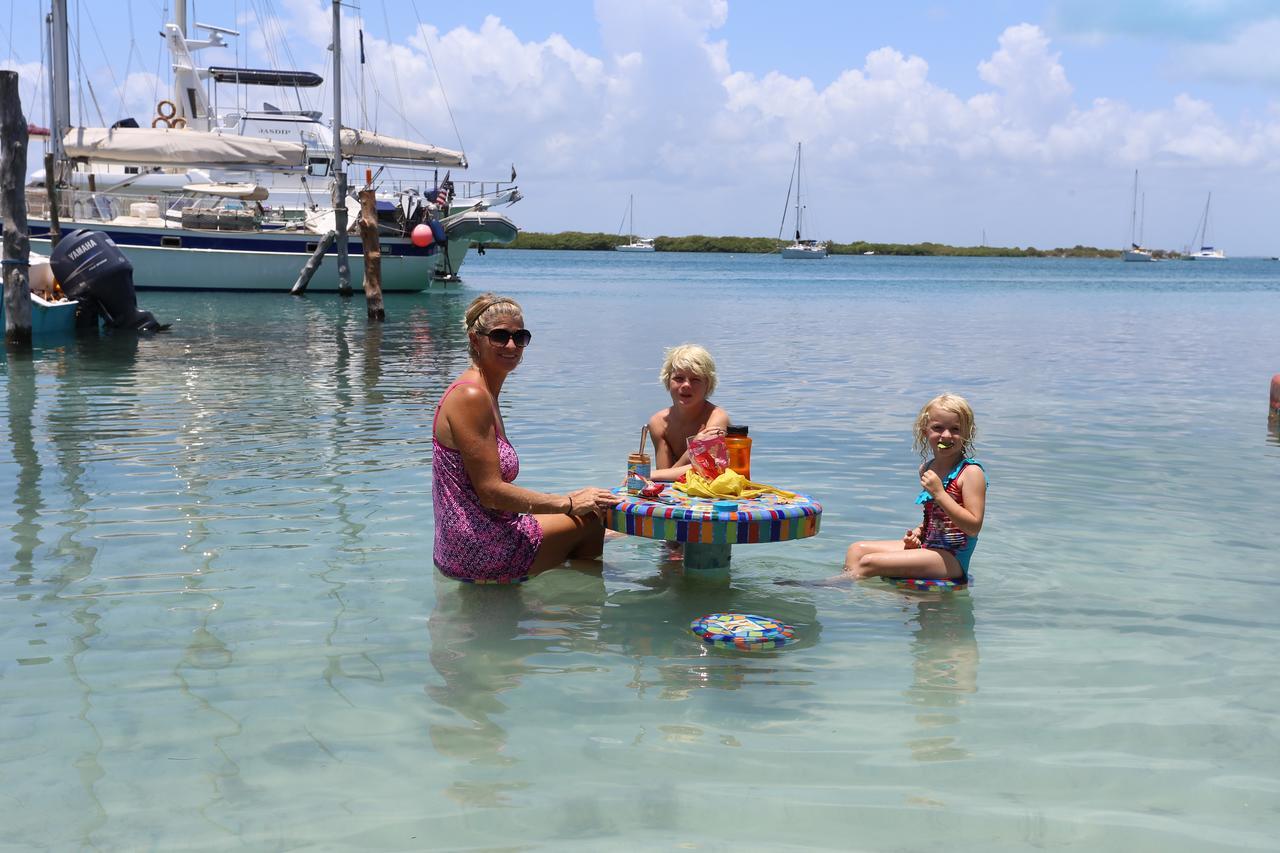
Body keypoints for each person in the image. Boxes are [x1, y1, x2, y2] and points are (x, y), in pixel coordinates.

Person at [432, 293, 618, 583]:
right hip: (478, 549)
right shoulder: (471, 395)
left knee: (590, 513)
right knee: (593, 519)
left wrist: (568, 502)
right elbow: (491, 492)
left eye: (520, 337)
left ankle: (554, 601)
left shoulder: (485, 391)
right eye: (500, 336)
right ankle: (579, 607)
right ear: (474, 339)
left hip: (473, 538)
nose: (511, 345)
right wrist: (568, 502)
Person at [843, 393, 987, 583]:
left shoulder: (970, 473)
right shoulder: (927, 468)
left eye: (955, 429)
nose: (946, 435)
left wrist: (939, 493)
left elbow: (973, 527)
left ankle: (834, 585)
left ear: (967, 433)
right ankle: (852, 591)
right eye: (938, 428)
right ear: (924, 430)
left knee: (870, 562)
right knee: (856, 550)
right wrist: (919, 532)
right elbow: (938, 518)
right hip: (930, 547)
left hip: (953, 558)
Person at [646, 344, 731, 481]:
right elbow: (665, 477)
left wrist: (653, 475)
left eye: (695, 379)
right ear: (668, 382)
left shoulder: (716, 418)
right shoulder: (658, 423)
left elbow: (711, 471)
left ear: (707, 385)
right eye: (679, 378)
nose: (686, 385)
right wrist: (692, 451)